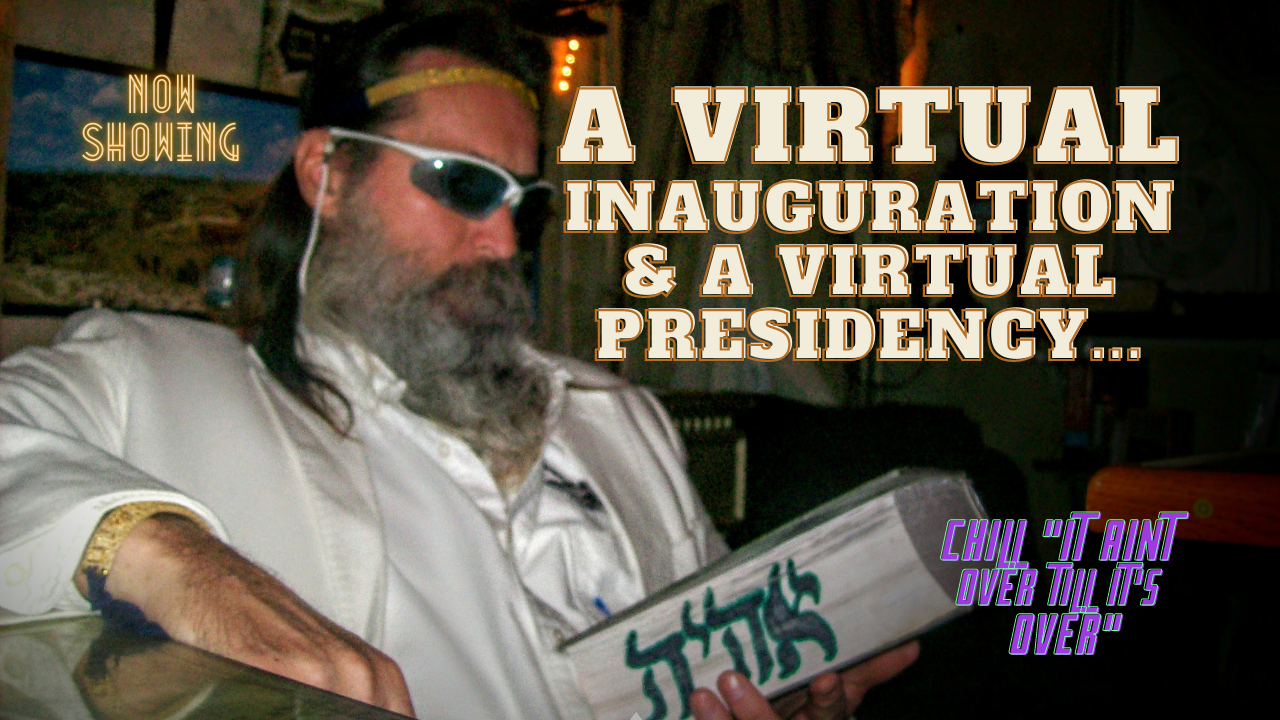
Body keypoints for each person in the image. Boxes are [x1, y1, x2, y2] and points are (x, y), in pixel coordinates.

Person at [0, 8, 916, 720]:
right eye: (465, 184)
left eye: (526, 203)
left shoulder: (621, 417)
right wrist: (179, 564)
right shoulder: (163, 380)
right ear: (329, 173)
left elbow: (713, 637)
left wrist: (788, 692)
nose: (503, 240)